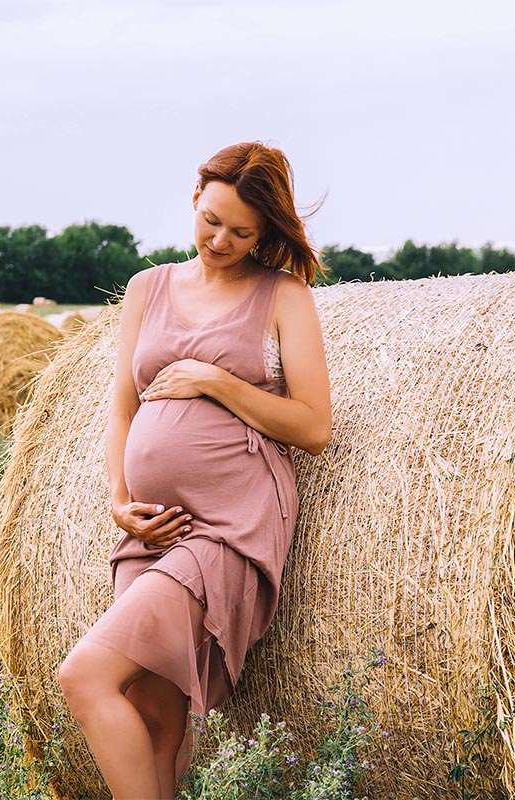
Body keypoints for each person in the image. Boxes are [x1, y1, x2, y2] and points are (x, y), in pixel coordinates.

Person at [57, 141, 332, 799]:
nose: (221, 239)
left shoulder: (281, 295)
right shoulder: (147, 289)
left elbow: (314, 426)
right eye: (212, 221)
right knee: (156, 716)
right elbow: (123, 407)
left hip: (228, 527)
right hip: (147, 530)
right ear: (195, 198)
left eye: (242, 231)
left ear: (266, 231)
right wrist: (119, 500)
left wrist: (217, 382)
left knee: (85, 677)